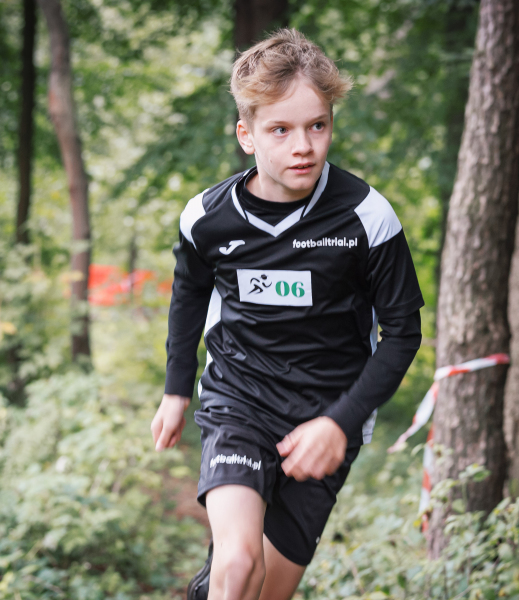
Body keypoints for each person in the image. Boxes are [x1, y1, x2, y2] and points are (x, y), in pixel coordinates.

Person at [150, 28, 424, 600]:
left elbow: (402, 333)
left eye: (317, 125)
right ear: (246, 135)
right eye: (280, 129)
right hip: (239, 401)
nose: (304, 146)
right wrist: (176, 390)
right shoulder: (206, 218)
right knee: (237, 565)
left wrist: (339, 422)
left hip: (327, 418)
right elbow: (188, 297)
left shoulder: (367, 217)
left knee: (265, 591)